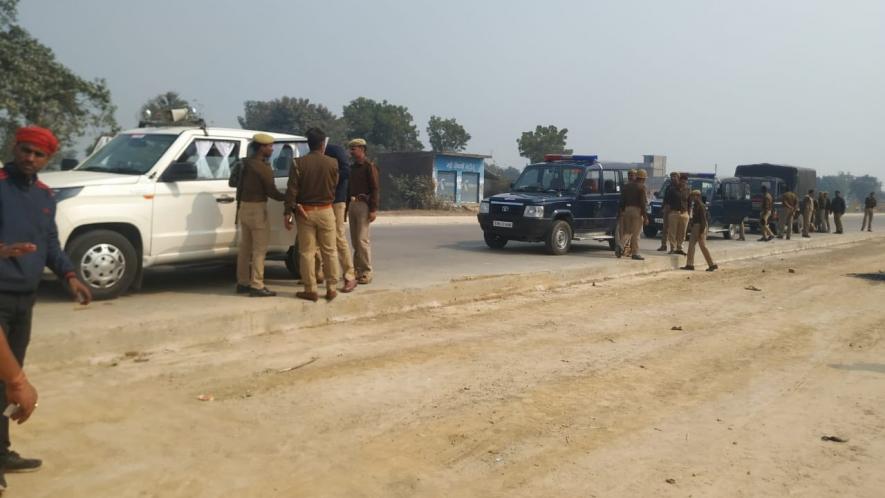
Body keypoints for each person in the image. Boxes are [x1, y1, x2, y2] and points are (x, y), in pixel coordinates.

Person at [0, 126, 93, 491]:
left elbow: (50, 241)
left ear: (48, 159)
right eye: (25, 151)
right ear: (14, 147)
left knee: (8, 379)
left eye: (39, 155)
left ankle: (3, 451)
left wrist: (69, 274)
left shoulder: (44, 195)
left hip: (25, 298)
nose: (30, 159)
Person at [285, 128, 340, 302]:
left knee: (307, 252)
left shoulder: (298, 163)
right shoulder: (333, 163)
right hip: (326, 210)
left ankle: (310, 289)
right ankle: (331, 288)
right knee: (330, 251)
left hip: (305, 212)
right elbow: (334, 186)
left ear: (308, 144)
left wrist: (288, 211)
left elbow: (292, 190)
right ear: (323, 144)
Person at [235, 134, 286, 297]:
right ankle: (257, 285)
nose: (272, 149)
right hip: (257, 209)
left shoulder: (244, 163)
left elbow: (232, 182)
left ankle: (242, 282)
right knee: (259, 249)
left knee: (245, 248)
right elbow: (272, 192)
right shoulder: (263, 167)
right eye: (270, 146)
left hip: (243, 207)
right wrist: (289, 197)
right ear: (262, 148)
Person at [314, 145, 357, 293]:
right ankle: (317, 274)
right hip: (321, 201)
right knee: (318, 240)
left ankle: (350, 276)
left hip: (337, 200)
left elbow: (346, 171)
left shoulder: (334, 151)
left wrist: (330, 181)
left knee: (338, 237)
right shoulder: (314, 154)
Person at [347, 138, 380, 284]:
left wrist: (373, 209)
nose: (351, 151)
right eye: (351, 148)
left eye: (354, 148)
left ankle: (366, 271)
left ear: (362, 149)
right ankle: (357, 270)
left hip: (363, 206)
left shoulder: (369, 166)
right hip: (352, 204)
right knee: (355, 241)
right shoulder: (352, 168)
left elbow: (375, 189)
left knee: (362, 240)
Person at [681, 189, 718, 271]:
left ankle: (711, 264)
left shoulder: (701, 206)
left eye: (695, 196)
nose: (693, 198)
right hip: (696, 227)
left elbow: (703, 220)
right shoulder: (696, 205)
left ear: (698, 196)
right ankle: (689, 264)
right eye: (693, 196)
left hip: (700, 226)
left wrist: (701, 232)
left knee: (703, 247)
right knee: (691, 245)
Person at [616, 169, 648, 260]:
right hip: (636, 211)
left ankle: (620, 244)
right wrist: (645, 217)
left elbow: (622, 201)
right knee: (636, 234)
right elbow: (643, 203)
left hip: (627, 210)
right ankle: (635, 253)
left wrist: (621, 212)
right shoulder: (642, 187)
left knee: (628, 232)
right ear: (643, 178)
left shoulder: (626, 186)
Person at [665, 173, 689, 255]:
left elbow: (689, 203)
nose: (683, 183)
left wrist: (689, 214)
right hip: (674, 213)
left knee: (682, 233)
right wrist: (667, 213)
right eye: (682, 181)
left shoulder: (688, 190)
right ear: (679, 181)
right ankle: (672, 248)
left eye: (685, 182)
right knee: (672, 232)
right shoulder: (672, 190)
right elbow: (668, 202)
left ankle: (680, 248)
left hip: (684, 214)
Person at [657, 171, 679, 252]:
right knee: (665, 228)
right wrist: (662, 208)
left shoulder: (680, 187)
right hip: (668, 208)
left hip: (675, 210)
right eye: (671, 176)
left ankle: (674, 247)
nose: (672, 178)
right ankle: (663, 245)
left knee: (673, 230)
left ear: (678, 177)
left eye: (674, 176)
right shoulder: (668, 187)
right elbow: (665, 199)